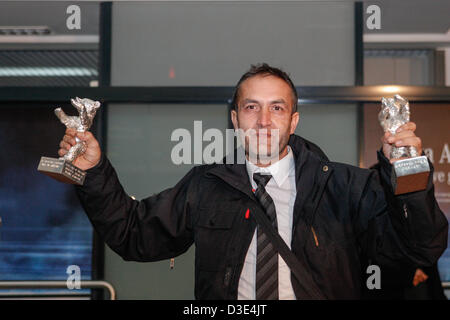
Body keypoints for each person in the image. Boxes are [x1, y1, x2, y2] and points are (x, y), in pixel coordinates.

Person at [59, 63, 448, 300]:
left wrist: (408, 171)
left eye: (277, 108)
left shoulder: (345, 187)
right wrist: (93, 172)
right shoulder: (207, 185)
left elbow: (420, 248)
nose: (264, 120)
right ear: (234, 119)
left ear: (293, 121)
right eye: (251, 107)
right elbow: (134, 234)